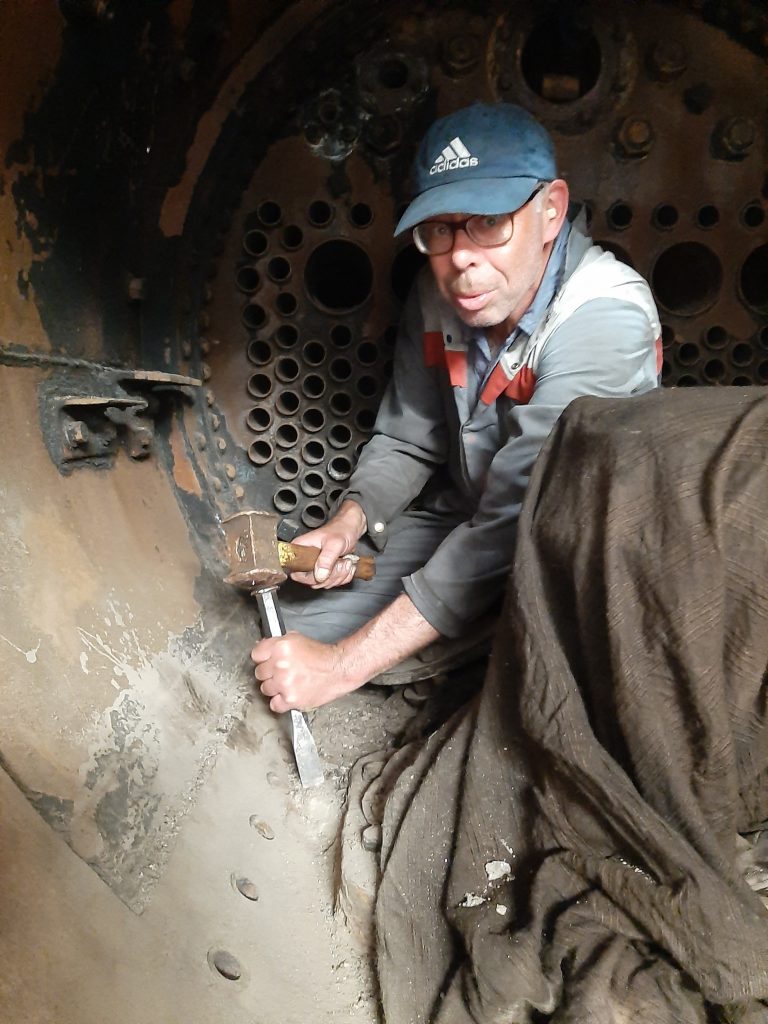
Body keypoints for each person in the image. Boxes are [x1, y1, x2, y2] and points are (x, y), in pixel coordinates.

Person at [252, 101, 661, 712]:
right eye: (439, 229)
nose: (461, 257)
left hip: (568, 557)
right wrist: (350, 522)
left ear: (551, 210)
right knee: (284, 631)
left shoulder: (601, 320)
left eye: (488, 222)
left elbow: (512, 527)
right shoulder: (442, 294)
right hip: (466, 523)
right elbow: (408, 437)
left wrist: (342, 667)